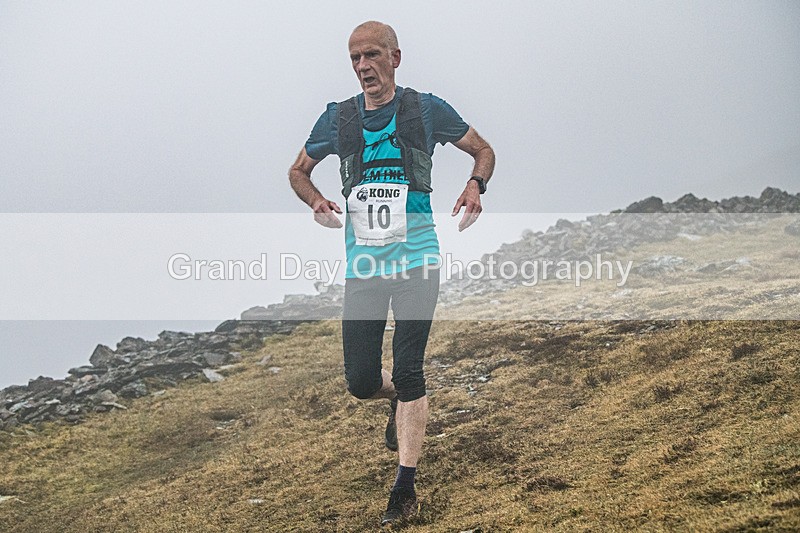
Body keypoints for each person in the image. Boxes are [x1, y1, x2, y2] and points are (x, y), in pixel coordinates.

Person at [288, 20, 495, 527]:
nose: (363, 67)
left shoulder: (425, 109)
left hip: (417, 262)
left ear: (395, 58)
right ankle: (399, 402)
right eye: (355, 58)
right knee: (361, 380)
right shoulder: (337, 120)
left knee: (409, 369)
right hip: (363, 268)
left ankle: (404, 488)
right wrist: (315, 200)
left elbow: (484, 150)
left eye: (373, 56)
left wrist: (474, 187)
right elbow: (297, 170)